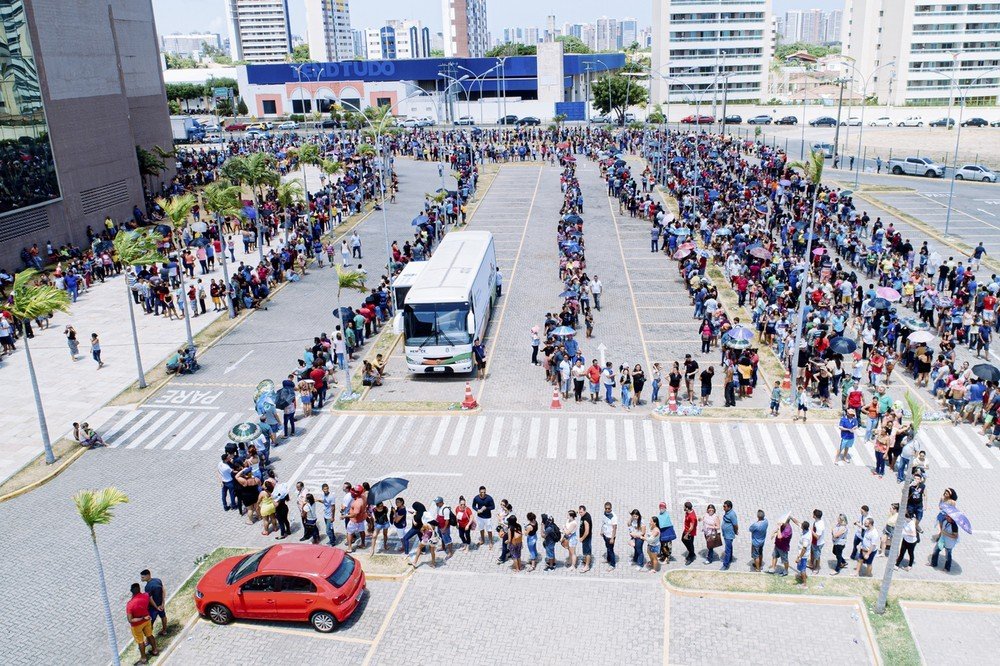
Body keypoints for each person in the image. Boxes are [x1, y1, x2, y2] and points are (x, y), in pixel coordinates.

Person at [126, 582, 158, 664]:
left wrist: (141, 618)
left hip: (137, 625)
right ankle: (155, 650)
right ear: (139, 589)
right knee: (149, 635)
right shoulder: (146, 595)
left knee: (140, 641)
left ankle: (143, 658)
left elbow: (130, 620)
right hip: (147, 620)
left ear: (131, 591)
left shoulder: (130, 604)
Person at [140, 569, 167, 636]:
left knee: (150, 622)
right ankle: (164, 630)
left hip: (153, 608)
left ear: (148, 575)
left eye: (143, 577)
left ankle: (149, 638)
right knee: (163, 616)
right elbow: (163, 591)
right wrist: (162, 603)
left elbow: (150, 599)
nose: (141, 579)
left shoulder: (148, 587)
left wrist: (156, 607)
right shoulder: (158, 580)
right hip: (161, 605)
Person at [720, 500, 738, 571]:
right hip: (726, 534)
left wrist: (736, 531)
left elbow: (735, 524)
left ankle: (725, 564)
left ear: (729, 507)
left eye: (725, 506)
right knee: (729, 547)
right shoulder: (727, 512)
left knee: (727, 549)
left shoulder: (732, 514)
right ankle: (730, 558)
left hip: (729, 534)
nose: (723, 508)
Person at [792, 519, 812, 584]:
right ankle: (802, 576)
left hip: (803, 555)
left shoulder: (806, 538)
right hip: (801, 554)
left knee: (803, 569)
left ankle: (804, 584)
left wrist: (799, 557)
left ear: (803, 527)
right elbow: (797, 522)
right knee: (801, 568)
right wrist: (791, 517)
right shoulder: (808, 529)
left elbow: (804, 548)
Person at [601, 501, 618, 570]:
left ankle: (613, 564)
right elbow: (603, 523)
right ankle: (608, 559)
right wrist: (602, 531)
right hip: (605, 534)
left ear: (611, 508)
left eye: (609, 508)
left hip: (610, 536)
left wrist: (612, 538)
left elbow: (615, 528)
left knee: (610, 550)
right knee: (607, 548)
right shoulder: (605, 513)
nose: (607, 510)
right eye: (606, 508)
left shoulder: (613, 517)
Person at [579, 505, 593, 572]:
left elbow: (587, 531)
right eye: (579, 512)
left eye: (581, 512)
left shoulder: (586, 519)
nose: (580, 514)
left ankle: (587, 566)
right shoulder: (585, 515)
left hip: (586, 538)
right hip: (584, 538)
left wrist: (582, 538)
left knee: (587, 552)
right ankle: (585, 561)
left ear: (585, 511)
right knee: (585, 551)